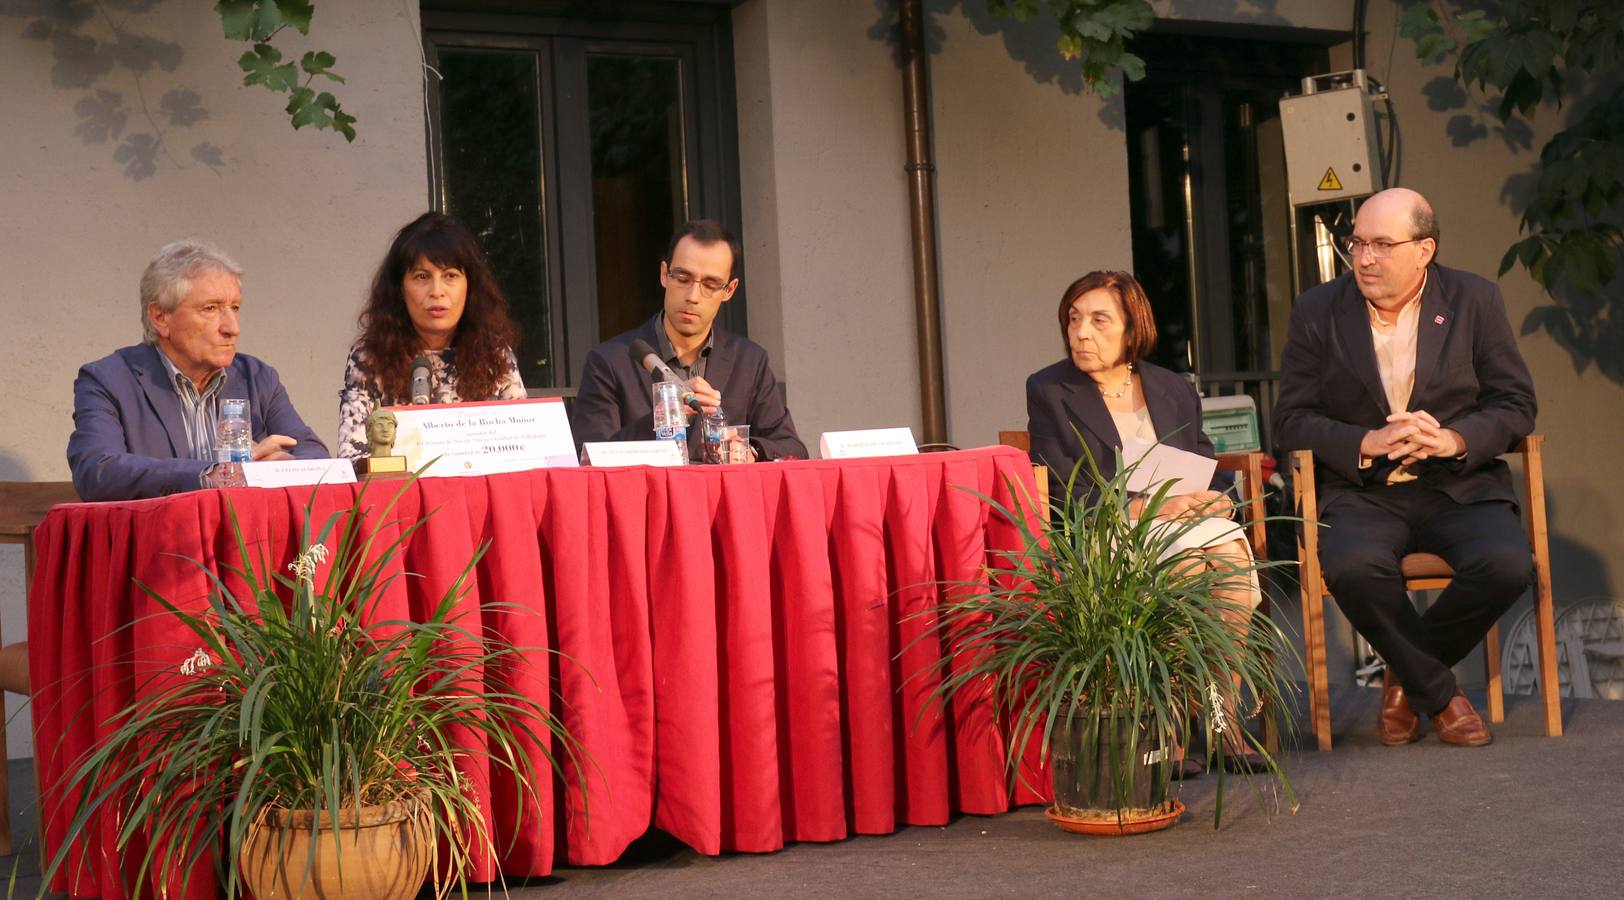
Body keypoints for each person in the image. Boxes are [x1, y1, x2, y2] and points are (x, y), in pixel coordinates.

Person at [1274, 187, 1537, 747]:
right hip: (1362, 490)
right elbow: (1291, 421)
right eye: (1357, 243)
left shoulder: (1474, 300)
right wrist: (1366, 440)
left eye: (1382, 245)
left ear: (1424, 250)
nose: (1365, 258)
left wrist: (1452, 439)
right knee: (1350, 566)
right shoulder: (1318, 310)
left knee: (1509, 564)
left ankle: (1406, 676)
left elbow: (1515, 405)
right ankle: (1441, 695)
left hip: (1457, 485)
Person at [1026, 270, 1261, 770]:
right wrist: (1138, 508)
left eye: (1099, 320)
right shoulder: (1050, 389)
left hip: (1185, 522)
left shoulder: (1170, 386)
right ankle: (1171, 726)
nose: (1081, 333)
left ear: (1133, 328)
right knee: (1186, 567)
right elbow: (1061, 487)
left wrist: (1217, 500)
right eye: (1073, 319)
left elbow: (1203, 462)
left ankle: (1223, 721)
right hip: (1109, 529)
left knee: (1230, 570)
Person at [68, 238, 328, 502]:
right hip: (161, 540)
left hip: (246, 541)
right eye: (211, 308)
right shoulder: (109, 380)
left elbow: (313, 453)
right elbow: (97, 471)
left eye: (235, 308)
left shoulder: (258, 378)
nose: (232, 327)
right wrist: (209, 475)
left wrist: (283, 469)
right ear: (161, 317)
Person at [571, 219, 805, 462]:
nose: (693, 296)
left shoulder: (749, 361)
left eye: (710, 285)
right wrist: (663, 419)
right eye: (683, 279)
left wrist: (749, 450)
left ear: (729, 290)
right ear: (664, 274)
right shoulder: (609, 361)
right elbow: (586, 457)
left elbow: (792, 447)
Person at [338, 212, 526, 458]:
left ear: (470, 286)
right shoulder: (370, 356)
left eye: (450, 276)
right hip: (398, 493)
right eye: (422, 276)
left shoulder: (495, 354)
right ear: (399, 289)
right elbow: (354, 458)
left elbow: (524, 449)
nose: (437, 291)